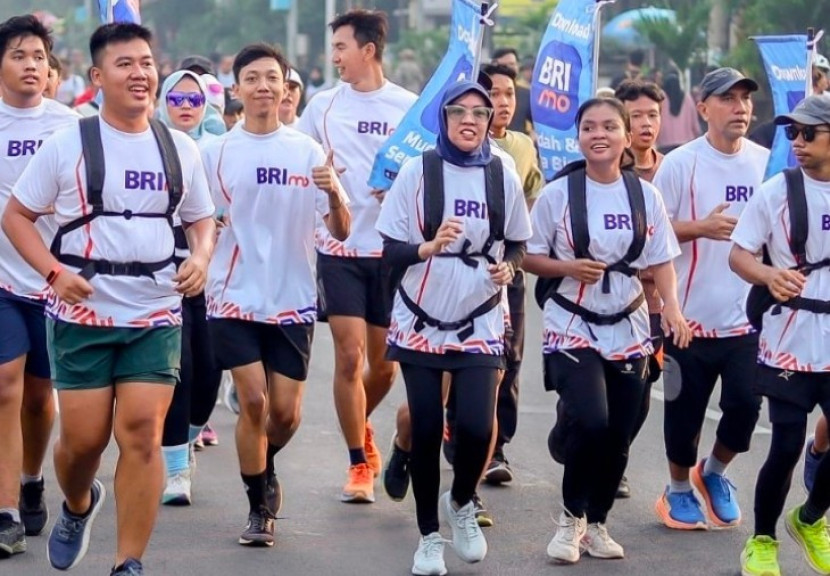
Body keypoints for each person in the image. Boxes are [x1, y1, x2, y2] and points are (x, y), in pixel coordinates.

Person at [2, 22, 216, 575]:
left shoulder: (180, 148)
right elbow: (17, 216)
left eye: (146, 62)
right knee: (82, 444)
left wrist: (200, 258)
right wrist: (52, 273)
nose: (140, 73)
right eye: (125, 64)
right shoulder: (67, 142)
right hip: (82, 315)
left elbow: (201, 220)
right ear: (98, 77)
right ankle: (78, 502)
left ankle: (128, 563)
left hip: (155, 312)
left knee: (142, 434)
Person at [524, 96, 689, 564]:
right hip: (571, 321)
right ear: (578, 138)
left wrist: (671, 310)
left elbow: (662, 260)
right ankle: (570, 516)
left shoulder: (644, 195)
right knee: (592, 420)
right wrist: (567, 266)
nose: (599, 135)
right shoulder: (560, 194)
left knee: (619, 431)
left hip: (630, 323)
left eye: (609, 127)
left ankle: (597, 523)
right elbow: (527, 256)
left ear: (625, 136)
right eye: (589, 127)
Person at [377, 79, 531, 576]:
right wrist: (427, 247)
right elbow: (390, 250)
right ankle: (427, 537)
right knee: (424, 427)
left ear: (491, 122)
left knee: (476, 426)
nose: (469, 120)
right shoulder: (419, 172)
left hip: (482, 312)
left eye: (480, 113)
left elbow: (517, 242)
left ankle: (461, 499)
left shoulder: (502, 171)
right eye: (459, 112)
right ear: (443, 119)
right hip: (422, 313)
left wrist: (509, 266)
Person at [202, 42, 349, 548]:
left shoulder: (307, 151)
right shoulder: (214, 152)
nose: (263, 86)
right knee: (254, 399)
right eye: (253, 78)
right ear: (237, 87)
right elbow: (195, 219)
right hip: (232, 296)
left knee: (283, 414)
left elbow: (343, 230)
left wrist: (332, 191)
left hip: (292, 296)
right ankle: (258, 506)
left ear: (286, 88)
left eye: (273, 78)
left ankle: (265, 465)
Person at [297, 9, 417, 504]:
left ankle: (362, 419)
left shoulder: (409, 108)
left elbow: (425, 171)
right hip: (340, 247)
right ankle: (357, 462)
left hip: (390, 251)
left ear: (368, 50)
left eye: (342, 47)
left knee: (384, 366)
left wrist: (405, 194)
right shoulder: (323, 106)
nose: (335, 57)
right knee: (348, 357)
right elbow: (299, 158)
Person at [652, 67, 768, 531]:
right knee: (684, 415)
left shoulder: (766, 161)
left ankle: (713, 473)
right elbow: (653, 233)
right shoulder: (681, 163)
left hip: (748, 322)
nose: (740, 107)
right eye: (728, 99)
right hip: (689, 320)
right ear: (703, 109)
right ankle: (677, 488)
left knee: (744, 408)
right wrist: (700, 227)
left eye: (745, 99)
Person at [730, 94, 830, 576]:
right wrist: (768, 277)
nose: (798, 142)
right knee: (786, 443)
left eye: (809, 133)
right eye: (793, 133)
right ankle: (763, 540)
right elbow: (740, 255)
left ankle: (810, 519)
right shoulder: (777, 190)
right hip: (789, 337)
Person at [0, 14, 80, 560]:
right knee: (5, 383)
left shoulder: (70, 125)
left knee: (37, 395)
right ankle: (5, 510)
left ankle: (32, 477)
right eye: (19, 55)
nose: (31, 65)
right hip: (1, 276)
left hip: (56, 281)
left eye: (38, 57)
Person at [155, 69, 225, 505]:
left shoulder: (219, 150)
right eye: (177, 99)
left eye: (194, 100)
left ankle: (193, 433)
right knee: (178, 372)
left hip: (216, 279)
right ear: (164, 102)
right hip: (166, 279)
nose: (185, 106)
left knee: (209, 371)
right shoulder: (154, 146)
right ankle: (176, 469)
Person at [613, 79, 667, 498]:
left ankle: (617, 459)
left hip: (653, 306)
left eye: (653, 115)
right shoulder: (607, 171)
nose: (646, 124)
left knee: (640, 391)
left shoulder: (673, 169)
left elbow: (669, 239)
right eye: (637, 116)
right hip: (607, 300)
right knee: (593, 391)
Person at [491, 47, 532, 135]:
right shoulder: (483, 91)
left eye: (512, 64)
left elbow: (538, 123)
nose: (504, 102)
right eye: (495, 94)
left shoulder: (526, 94)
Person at [657, 73, 701, 151]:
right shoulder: (687, 98)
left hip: (664, 144)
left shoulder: (661, 99)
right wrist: (697, 134)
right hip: (686, 144)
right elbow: (694, 121)